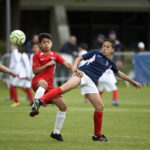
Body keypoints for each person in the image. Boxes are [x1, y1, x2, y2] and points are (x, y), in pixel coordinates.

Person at [30, 39, 142, 142]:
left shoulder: (110, 63)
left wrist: (133, 82)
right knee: (64, 89)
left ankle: (97, 135)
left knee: (100, 107)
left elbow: (119, 74)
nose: (104, 48)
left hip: (91, 82)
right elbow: (79, 58)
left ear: (112, 50)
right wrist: (75, 67)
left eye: (107, 47)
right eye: (103, 46)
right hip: (82, 74)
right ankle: (40, 101)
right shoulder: (95, 53)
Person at [30, 33, 74, 141]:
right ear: (40, 45)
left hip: (50, 87)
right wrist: (47, 65)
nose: (46, 44)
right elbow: (35, 71)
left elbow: (67, 64)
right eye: (43, 42)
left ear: (51, 44)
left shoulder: (55, 55)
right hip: (38, 82)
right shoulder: (37, 55)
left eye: (48, 42)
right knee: (43, 83)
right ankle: (35, 106)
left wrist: (75, 70)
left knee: (63, 106)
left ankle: (55, 132)